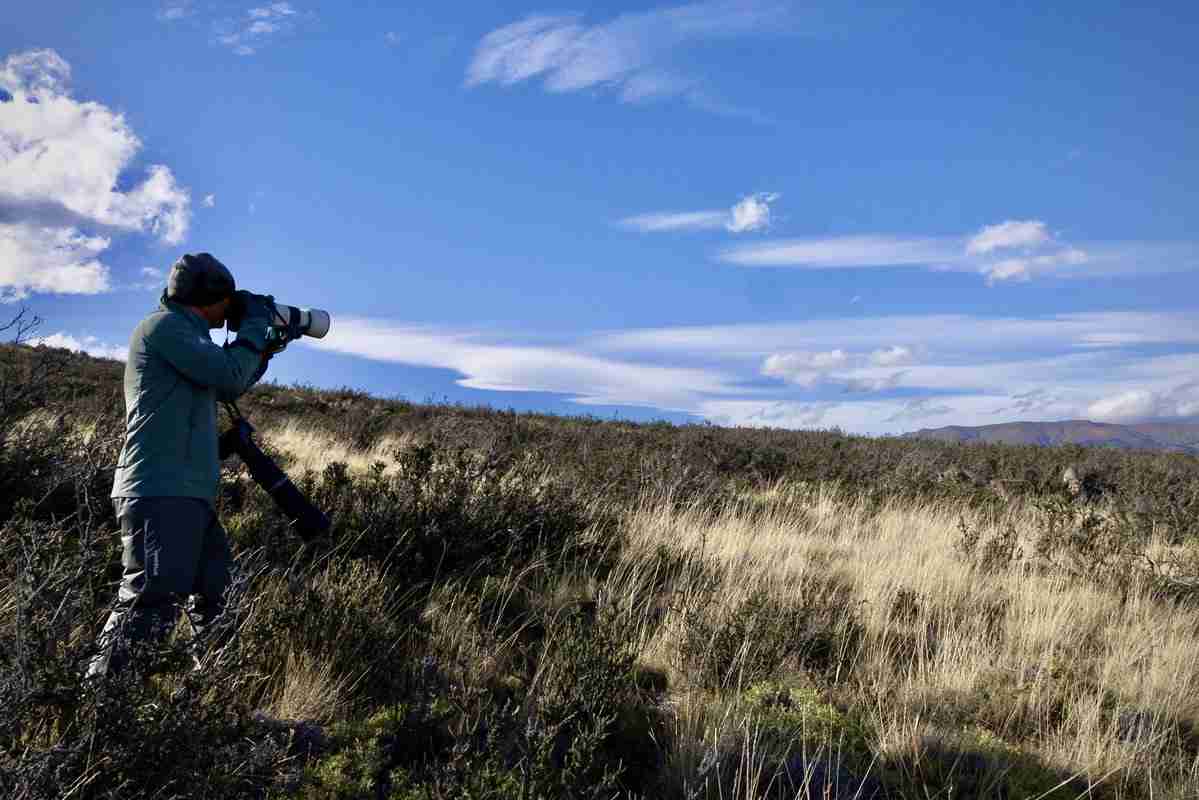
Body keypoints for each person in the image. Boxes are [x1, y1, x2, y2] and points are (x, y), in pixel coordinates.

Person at [88, 253, 283, 678]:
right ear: (209, 297)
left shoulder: (189, 339)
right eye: (228, 300)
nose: (231, 308)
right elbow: (229, 376)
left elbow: (230, 380)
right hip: (159, 489)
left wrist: (265, 349)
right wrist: (254, 325)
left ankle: (210, 696)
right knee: (150, 601)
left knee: (220, 597)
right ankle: (98, 706)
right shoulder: (164, 328)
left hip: (185, 491)